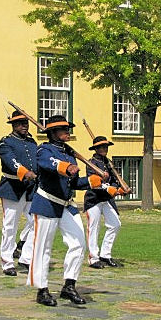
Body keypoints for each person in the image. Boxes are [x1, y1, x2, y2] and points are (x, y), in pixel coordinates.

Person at [28, 115, 103, 306]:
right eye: (63, 129)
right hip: (47, 202)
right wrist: (65, 166)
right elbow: (48, 163)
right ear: (53, 133)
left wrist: (90, 182)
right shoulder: (43, 149)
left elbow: (73, 182)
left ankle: (69, 285)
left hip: (67, 204)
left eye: (68, 129)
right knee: (43, 248)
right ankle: (42, 289)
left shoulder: (69, 153)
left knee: (79, 243)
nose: (68, 132)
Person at [0, 111, 38, 276]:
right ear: (13, 125)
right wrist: (24, 171)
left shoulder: (32, 142)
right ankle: (7, 262)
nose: (24, 126)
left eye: (26, 123)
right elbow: (10, 160)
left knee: (36, 222)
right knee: (10, 225)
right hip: (12, 186)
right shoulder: (5, 142)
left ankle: (26, 258)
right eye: (20, 123)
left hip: (31, 187)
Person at [84, 136, 129, 269]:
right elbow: (94, 182)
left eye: (106, 147)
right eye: (101, 147)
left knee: (115, 224)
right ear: (96, 149)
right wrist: (109, 188)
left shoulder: (108, 163)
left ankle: (105, 254)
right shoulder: (91, 163)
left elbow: (114, 180)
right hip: (94, 198)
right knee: (94, 228)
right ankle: (93, 258)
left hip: (107, 199)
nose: (104, 149)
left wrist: (120, 189)